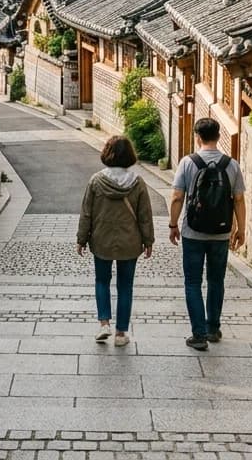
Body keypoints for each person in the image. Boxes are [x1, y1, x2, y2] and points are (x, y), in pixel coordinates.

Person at [169, 117, 245, 351]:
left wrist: (173, 225)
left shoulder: (187, 162)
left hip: (193, 231)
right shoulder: (231, 165)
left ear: (197, 137)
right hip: (221, 233)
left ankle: (198, 335)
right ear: (219, 136)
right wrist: (241, 229)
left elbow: (177, 197)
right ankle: (213, 328)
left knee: (192, 282)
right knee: (216, 281)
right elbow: (239, 199)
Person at [77, 135, 154, 347]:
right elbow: (145, 215)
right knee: (125, 286)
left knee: (102, 281)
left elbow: (87, 213)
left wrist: (81, 239)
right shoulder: (137, 183)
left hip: (101, 240)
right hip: (130, 241)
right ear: (130, 155)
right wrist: (148, 241)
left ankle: (104, 324)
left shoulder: (96, 181)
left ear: (107, 154)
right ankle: (121, 334)